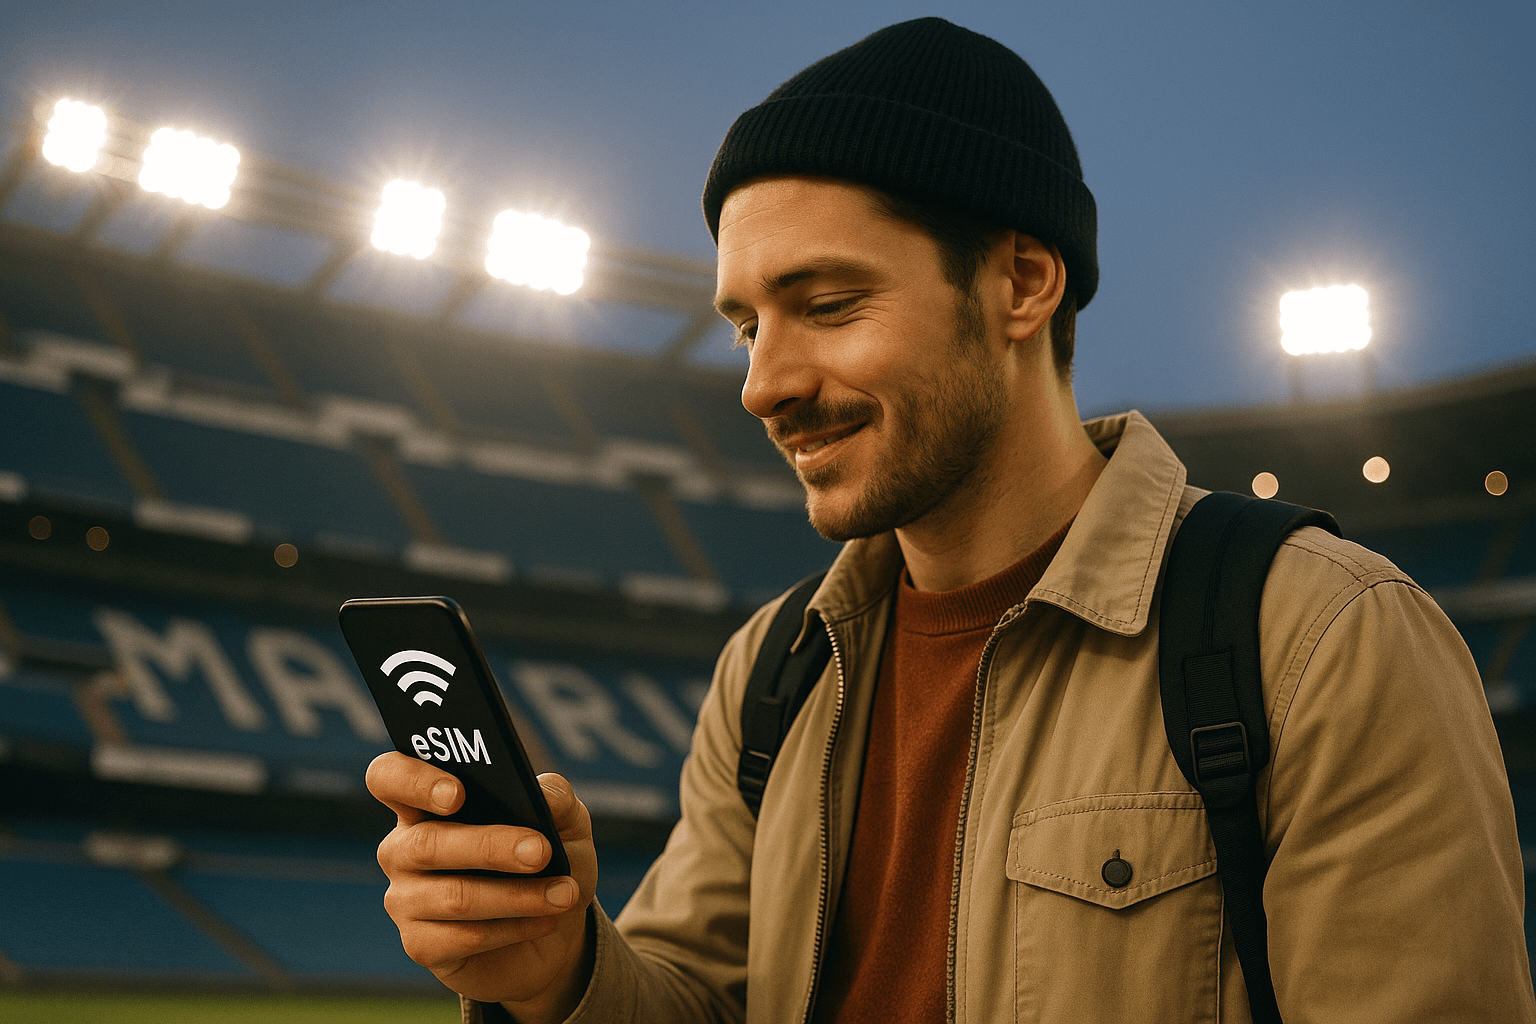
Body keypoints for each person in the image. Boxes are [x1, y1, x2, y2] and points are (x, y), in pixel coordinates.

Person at [366, 18, 1536, 1023]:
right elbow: (701, 994)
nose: (760, 384)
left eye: (826, 304)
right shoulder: (772, 673)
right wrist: (561, 973)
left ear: (1024, 283)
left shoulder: (1326, 638)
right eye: (744, 324)